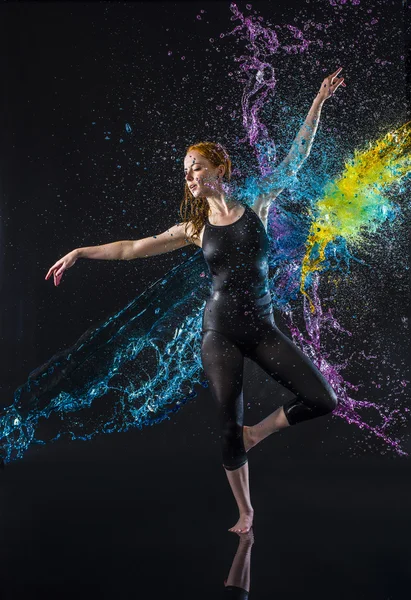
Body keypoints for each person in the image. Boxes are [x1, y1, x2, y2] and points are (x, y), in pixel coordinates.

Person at [45, 68, 345, 534]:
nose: (189, 178)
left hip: (261, 329)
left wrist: (318, 102)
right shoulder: (193, 229)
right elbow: (132, 247)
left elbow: (297, 158)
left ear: (219, 169)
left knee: (322, 398)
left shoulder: (257, 201)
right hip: (219, 332)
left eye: (196, 168)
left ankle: (257, 434)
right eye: (185, 173)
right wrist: (80, 252)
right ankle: (245, 512)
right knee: (228, 424)